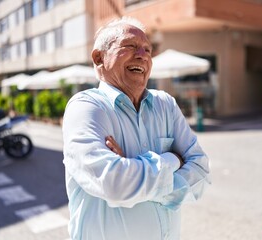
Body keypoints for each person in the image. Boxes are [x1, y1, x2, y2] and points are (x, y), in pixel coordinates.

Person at [62, 16, 210, 240]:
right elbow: (115, 183)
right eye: (130, 46)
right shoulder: (86, 107)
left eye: (148, 50)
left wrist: (134, 172)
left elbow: (200, 171)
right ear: (98, 57)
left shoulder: (165, 104)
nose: (142, 55)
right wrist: (173, 160)